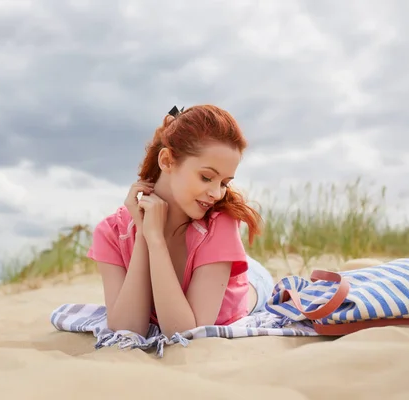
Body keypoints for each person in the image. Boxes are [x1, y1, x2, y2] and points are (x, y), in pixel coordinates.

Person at [86, 105, 274, 338]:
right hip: (212, 264)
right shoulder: (111, 232)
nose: (216, 193)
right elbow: (128, 330)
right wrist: (144, 234)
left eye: (224, 183)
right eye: (206, 177)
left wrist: (156, 241)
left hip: (251, 282)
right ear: (166, 161)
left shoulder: (220, 223)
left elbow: (185, 333)